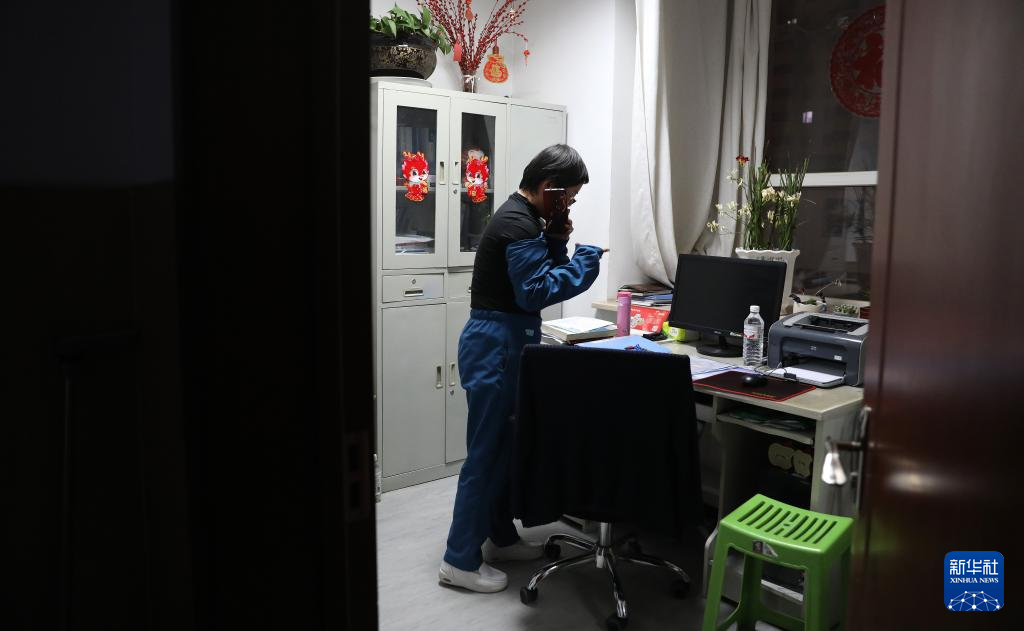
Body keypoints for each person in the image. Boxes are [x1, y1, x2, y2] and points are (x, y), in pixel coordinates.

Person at [438, 144, 606, 593]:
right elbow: (533, 291)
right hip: (496, 345)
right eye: (568, 196)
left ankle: (499, 537)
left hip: (507, 341)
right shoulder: (517, 222)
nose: (569, 204)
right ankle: (458, 560)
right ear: (549, 187)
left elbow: (534, 276)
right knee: (486, 454)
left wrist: (556, 240)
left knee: (504, 450)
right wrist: (585, 260)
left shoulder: (526, 219)